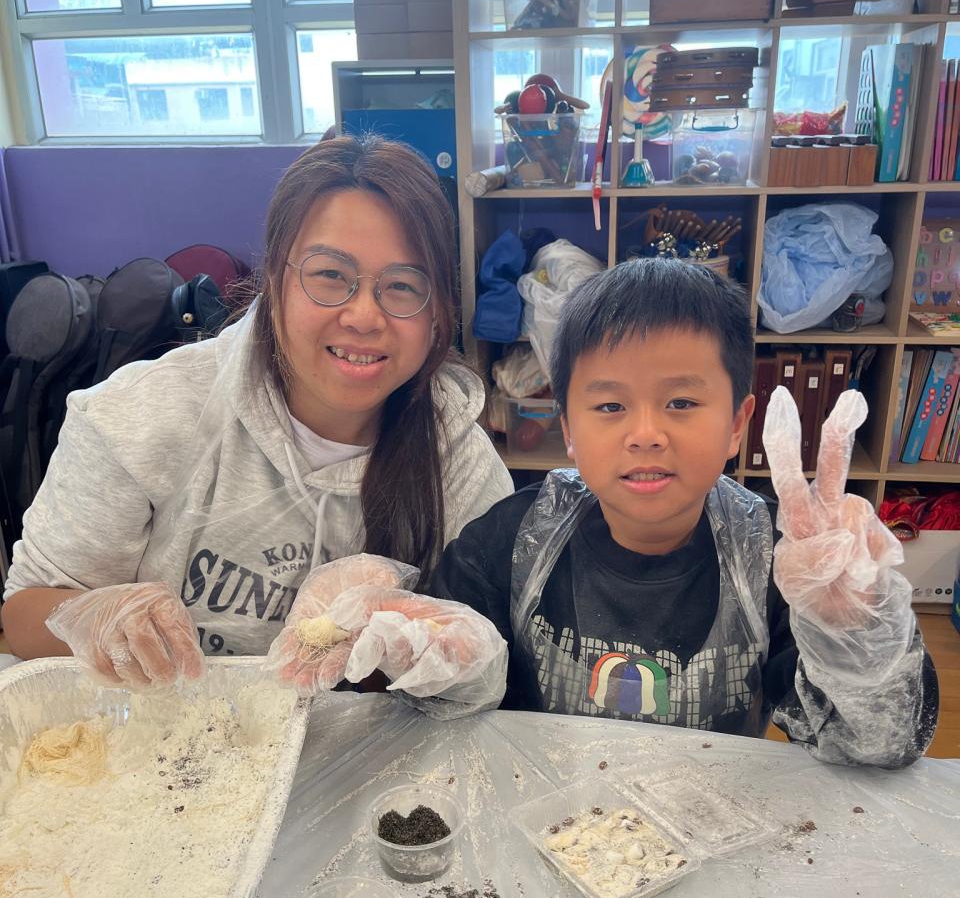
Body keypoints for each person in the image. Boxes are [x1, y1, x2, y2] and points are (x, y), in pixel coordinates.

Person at [1, 135, 513, 692]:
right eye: (329, 275)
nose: (364, 316)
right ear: (273, 282)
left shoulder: (459, 460)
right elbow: (21, 617)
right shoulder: (140, 416)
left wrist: (442, 652)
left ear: (437, 313)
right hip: (166, 731)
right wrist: (101, 619)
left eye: (403, 286)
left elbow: (494, 664)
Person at [424, 256, 938, 767]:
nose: (646, 434)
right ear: (570, 431)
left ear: (736, 425)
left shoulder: (784, 563)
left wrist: (855, 635)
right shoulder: (509, 541)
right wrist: (431, 660)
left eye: (681, 403)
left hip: (716, 807)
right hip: (541, 801)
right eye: (610, 406)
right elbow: (441, 704)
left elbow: (878, 746)